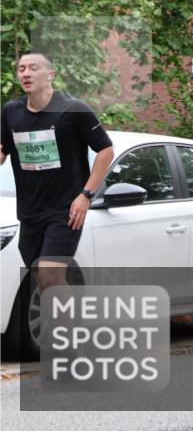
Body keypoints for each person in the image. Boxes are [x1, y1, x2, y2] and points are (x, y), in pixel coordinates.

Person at [0, 51, 114, 295]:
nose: (26, 73)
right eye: (21, 69)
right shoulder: (11, 112)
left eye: (33, 68)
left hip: (65, 211)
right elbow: (3, 153)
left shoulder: (73, 109)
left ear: (50, 74)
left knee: (50, 275)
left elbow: (105, 150)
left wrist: (86, 194)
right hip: (29, 213)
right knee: (43, 281)